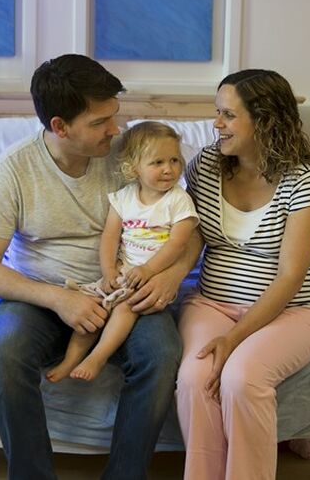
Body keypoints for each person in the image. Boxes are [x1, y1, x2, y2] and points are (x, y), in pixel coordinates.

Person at [0, 55, 193, 480]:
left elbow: (184, 221)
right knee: (6, 353)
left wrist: (173, 273)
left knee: (162, 354)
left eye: (115, 116)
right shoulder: (13, 170)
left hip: (123, 291)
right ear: (60, 126)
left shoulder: (129, 156)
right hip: (40, 294)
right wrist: (60, 299)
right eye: (100, 122)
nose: (116, 129)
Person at [176, 69, 310, 480]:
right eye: (217, 113)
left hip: (292, 309)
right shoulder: (206, 164)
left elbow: (290, 276)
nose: (216, 124)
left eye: (228, 115)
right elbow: (192, 237)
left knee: (242, 379)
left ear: (264, 121)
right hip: (212, 300)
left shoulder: (303, 178)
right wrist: (163, 277)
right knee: (195, 376)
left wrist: (234, 338)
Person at [46, 121, 198, 383]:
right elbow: (109, 238)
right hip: (123, 272)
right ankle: (71, 360)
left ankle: (98, 357)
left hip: (152, 277)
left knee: (124, 308)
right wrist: (108, 272)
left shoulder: (178, 200)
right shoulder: (124, 198)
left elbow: (178, 244)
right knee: (94, 308)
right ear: (133, 168)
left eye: (174, 160)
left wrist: (148, 270)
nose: (168, 169)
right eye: (157, 162)